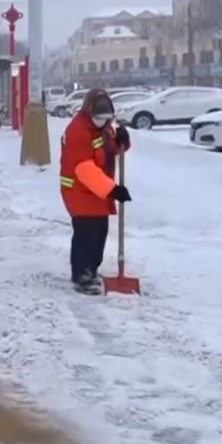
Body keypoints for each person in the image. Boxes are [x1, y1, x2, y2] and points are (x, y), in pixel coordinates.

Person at [59, 88, 131, 295]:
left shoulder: (105, 128)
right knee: (86, 234)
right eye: (99, 118)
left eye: (106, 119)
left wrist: (121, 141)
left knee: (100, 233)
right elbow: (84, 169)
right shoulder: (77, 131)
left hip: (98, 191)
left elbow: (108, 153)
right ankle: (81, 274)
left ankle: (92, 268)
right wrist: (112, 189)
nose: (103, 122)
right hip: (78, 191)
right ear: (89, 112)